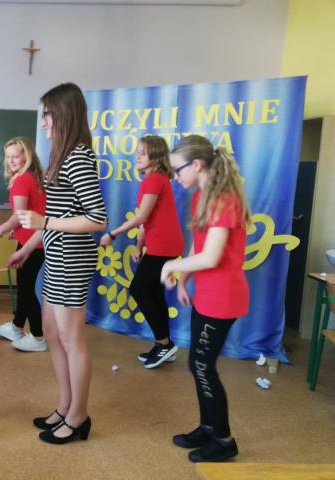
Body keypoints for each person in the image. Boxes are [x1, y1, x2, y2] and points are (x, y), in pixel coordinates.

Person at [10, 83, 107, 444]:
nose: (43, 122)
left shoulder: (78, 156)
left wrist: (45, 223)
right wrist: (28, 247)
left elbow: (97, 218)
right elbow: (55, 215)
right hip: (55, 255)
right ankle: (65, 406)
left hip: (72, 259)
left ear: (63, 114)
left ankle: (79, 417)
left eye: (47, 115)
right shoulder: (61, 156)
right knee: (51, 332)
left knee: (70, 338)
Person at [160, 134, 250, 463]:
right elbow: (198, 246)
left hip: (223, 297)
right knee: (198, 364)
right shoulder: (202, 195)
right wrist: (184, 278)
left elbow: (211, 257)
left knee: (201, 365)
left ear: (196, 165)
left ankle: (224, 440)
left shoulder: (223, 199)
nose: (175, 177)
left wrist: (171, 265)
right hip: (207, 294)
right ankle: (208, 427)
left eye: (177, 170)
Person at [100, 135, 184, 368]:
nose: (137, 156)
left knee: (138, 288)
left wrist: (113, 234)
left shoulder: (154, 179)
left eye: (143, 153)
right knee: (154, 293)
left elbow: (141, 217)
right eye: (138, 152)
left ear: (155, 157)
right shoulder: (154, 179)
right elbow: (146, 221)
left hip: (163, 244)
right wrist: (139, 247)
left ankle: (164, 344)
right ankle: (164, 344)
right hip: (161, 243)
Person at [0, 137, 47, 352]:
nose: (12, 160)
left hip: (31, 244)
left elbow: (19, 214)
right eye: (8, 157)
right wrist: (14, 229)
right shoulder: (33, 177)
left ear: (27, 156)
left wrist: (3, 227)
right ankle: (16, 327)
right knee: (25, 285)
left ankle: (38, 337)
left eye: (16, 156)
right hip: (35, 240)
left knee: (25, 289)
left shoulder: (22, 180)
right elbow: (32, 211)